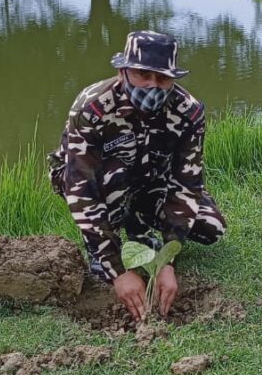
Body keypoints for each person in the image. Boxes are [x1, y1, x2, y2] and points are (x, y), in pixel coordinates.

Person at [48, 30, 226, 322]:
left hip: (150, 179)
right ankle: (105, 249)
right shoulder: (91, 109)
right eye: (144, 74)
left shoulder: (189, 113)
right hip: (93, 179)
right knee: (113, 180)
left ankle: (140, 230)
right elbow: (81, 190)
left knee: (211, 226)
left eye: (163, 78)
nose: (153, 86)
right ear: (123, 71)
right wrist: (118, 271)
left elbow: (187, 184)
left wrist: (168, 259)